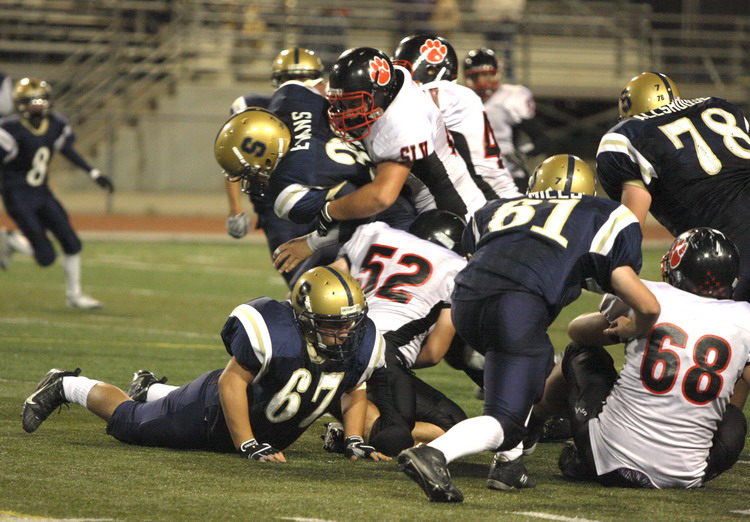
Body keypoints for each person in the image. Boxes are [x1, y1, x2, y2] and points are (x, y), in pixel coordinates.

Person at [396, 154, 661, 502]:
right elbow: (647, 305)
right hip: (516, 308)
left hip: (465, 303)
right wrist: (632, 328)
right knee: (505, 421)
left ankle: (509, 466)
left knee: (530, 368)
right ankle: (436, 454)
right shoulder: (601, 214)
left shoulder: (494, 208)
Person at [21, 266, 390, 463]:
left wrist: (354, 440)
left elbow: (354, 388)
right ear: (305, 318)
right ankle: (65, 384)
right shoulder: (277, 334)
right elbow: (232, 383)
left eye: (350, 322)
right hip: (210, 413)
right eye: (333, 324)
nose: (345, 332)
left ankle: (150, 387)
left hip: (261, 422)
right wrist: (248, 444)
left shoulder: (356, 342)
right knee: (130, 423)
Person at [533, 228, 750, 489]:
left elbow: (577, 332)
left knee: (580, 351)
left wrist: (624, 331)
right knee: (736, 407)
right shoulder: (744, 317)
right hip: (686, 476)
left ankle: (534, 420)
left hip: (608, 461)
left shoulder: (651, 295)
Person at [596, 71, 750, 407]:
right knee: (741, 353)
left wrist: (614, 273)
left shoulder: (627, 135)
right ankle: (723, 426)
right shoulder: (720, 107)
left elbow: (629, 225)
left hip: (731, 253)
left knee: (726, 350)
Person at [220, 48, 416, 287]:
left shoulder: (287, 193)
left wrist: (312, 242)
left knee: (313, 288)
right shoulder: (291, 96)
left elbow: (363, 212)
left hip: (386, 213)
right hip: (392, 170)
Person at [326, 209, 470, 455]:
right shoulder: (457, 267)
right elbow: (434, 353)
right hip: (387, 352)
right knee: (452, 430)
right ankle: (354, 423)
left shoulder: (375, 233)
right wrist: (401, 362)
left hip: (336, 340)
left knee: (446, 424)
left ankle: (342, 414)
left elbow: (326, 281)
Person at [322, 47, 487, 228]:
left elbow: (381, 197)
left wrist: (330, 211)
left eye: (354, 103)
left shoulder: (405, 118)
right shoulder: (388, 89)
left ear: (381, 94)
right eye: (341, 103)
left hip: (452, 213)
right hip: (415, 205)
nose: (346, 113)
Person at [0, 78, 114, 309]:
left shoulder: (56, 124)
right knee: (46, 258)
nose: (39, 105)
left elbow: (67, 150)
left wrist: (94, 173)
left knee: (72, 243)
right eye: (33, 101)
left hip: (43, 194)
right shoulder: (9, 130)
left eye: (42, 100)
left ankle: (75, 296)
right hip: (17, 196)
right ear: (21, 104)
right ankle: (10, 239)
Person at [392, 34, 521, 200]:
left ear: (432, 70)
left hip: (489, 195)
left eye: (404, 70)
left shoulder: (443, 94)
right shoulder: (458, 95)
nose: (398, 77)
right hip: (493, 189)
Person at [463, 47, 550, 192]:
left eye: (487, 75)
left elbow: (541, 139)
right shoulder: (460, 100)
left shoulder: (511, 97)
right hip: (473, 178)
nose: (482, 82)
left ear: (497, 74)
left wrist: (521, 154)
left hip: (509, 176)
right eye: (477, 76)